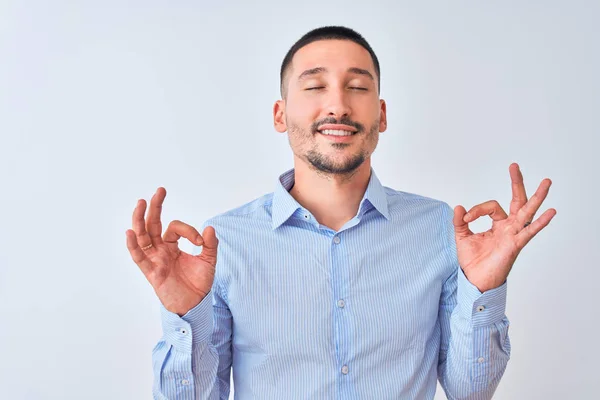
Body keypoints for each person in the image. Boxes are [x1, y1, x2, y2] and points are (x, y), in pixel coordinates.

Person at [125, 26, 556, 399]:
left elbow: (471, 391)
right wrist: (185, 318)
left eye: (358, 87)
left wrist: (484, 289)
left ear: (381, 114)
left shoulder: (438, 229)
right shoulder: (223, 242)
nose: (338, 106)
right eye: (315, 87)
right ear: (280, 114)